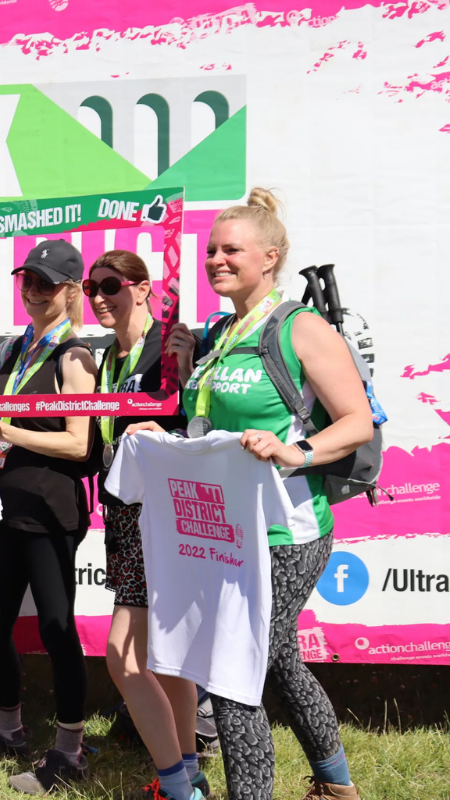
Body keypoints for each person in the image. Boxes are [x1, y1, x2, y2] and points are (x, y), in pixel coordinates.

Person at [128, 188, 372, 800]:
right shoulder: (219, 333)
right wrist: (175, 409)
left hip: (289, 527)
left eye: (231, 249)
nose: (215, 260)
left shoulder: (300, 327)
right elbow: (212, 428)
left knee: (234, 674)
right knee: (278, 657)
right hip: (225, 529)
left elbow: (357, 420)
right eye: (210, 249)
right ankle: (337, 784)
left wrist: (299, 451)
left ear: (271, 257)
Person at [0, 240, 97, 795]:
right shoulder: (11, 348)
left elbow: (79, 446)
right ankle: (8, 733)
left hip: (50, 509)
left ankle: (70, 752)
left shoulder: (75, 358)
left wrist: (6, 432)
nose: (32, 292)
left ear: (72, 291)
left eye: (46, 284)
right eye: (27, 281)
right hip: (5, 504)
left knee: (57, 630)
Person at [84, 250, 205, 800]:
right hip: (125, 517)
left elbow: (199, 426)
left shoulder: (171, 345)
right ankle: (189, 775)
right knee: (170, 660)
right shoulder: (109, 357)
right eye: (92, 288)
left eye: (111, 285)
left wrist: (169, 422)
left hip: (161, 519)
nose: (101, 297)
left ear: (143, 287)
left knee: (123, 656)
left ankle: (177, 785)